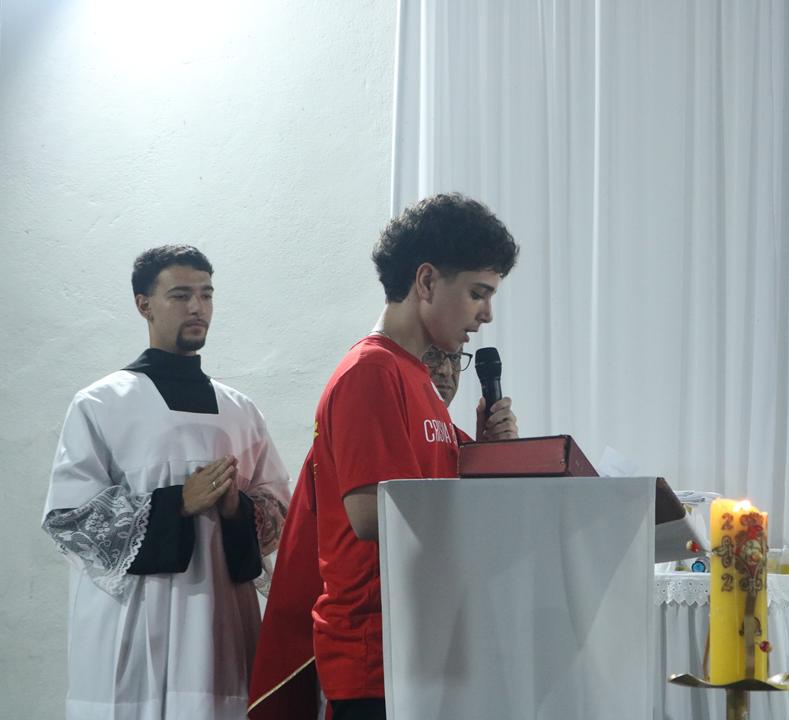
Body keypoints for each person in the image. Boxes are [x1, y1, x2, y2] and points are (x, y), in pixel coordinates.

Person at [254, 193, 519, 720]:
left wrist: (489, 460)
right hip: (378, 655)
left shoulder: (416, 377)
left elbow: (433, 487)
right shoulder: (370, 373)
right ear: (427, 282)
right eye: (478, 293)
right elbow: (373, 514)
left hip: (424, 644)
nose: (486, 314)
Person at [41, 245, 291, 719]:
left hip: (220, 624)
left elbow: (279, 510)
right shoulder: (102, 404)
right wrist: (176, 503)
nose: (197, 307)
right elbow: (72, 521)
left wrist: (237, 509)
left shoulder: (241, 411)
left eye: (206, 295)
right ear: (144, 305)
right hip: (135, 628)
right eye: (180, 295)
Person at [247, 343, 517, 719]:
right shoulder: (363, 424)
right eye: (433, 355)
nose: (446, 370)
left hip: (447, 650)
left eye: (455, 358)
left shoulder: (456, 442)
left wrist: (489, 457)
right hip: (376, 650)